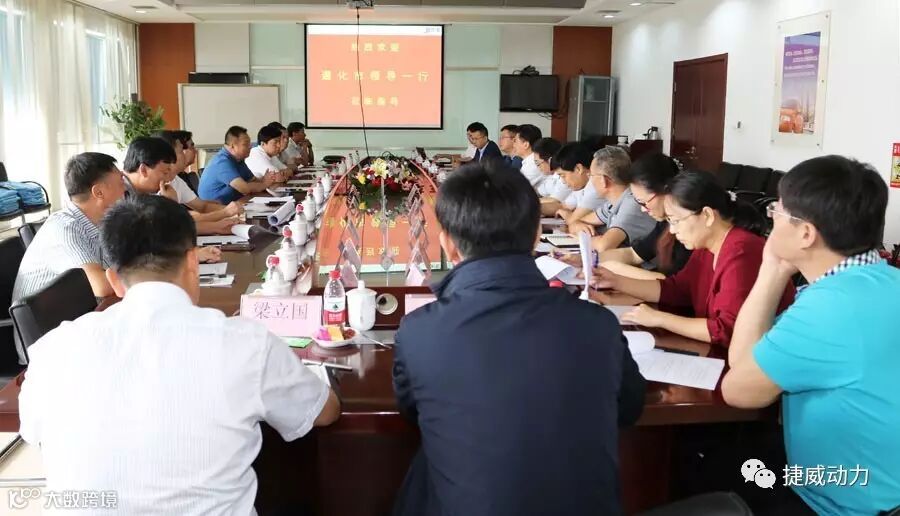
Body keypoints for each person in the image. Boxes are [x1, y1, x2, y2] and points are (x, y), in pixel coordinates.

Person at [18, 195, 341, 514]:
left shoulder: (52, 350)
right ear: (192, 263)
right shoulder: (246, 344)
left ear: (114, 279)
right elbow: (324, 412)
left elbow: (33, 434)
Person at [392, 160, 645, 516]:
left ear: (447, 244)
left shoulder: (419, 332)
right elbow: (630, 407)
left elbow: (411, 411)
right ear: (537, 233)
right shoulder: (598, 325)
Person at [722, 156, 900, 515]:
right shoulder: (885, 280)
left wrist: (771, 270)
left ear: (806, 234)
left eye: (777, 211)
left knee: (712, 468)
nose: (771, 218)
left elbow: (739, 388)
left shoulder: (832, 307)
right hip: (884, 486)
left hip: (843, 504)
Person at [591, 170, 795, 347]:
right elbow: (678, 290)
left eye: (676, 220)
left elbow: (726, 330)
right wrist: (616, 281)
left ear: (707, 215)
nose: (672, 230)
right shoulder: (707, 245)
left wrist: (660, 319)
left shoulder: (742, 252)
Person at [11, 153, 124, 362]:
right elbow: (102, 286)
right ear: (98, 192)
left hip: (82, 322)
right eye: (120, 182)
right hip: (47, 345)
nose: (125, 189)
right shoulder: (65, 227)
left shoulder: (98, 222)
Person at [598, 153, 691, 280]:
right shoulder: (665, 223)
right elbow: (633, 254)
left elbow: (674, 283)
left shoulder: (688, 228)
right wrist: (589, 260)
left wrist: (617, 269)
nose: (643, 209)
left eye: (644, 202)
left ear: (666, 191)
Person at [123, 136, 239, 237]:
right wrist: (168, 206)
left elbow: (172, 226)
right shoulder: (120, 193)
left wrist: (217, 227)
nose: (167, 179)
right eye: (164, 172)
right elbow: (156, 233)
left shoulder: (144, 190)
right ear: (143, 170)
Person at [569, 146, 656, 253]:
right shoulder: (612, 203)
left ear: (603, 180)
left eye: (591, 175)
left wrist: (583, 239)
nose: (590, 181)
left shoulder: (633, 202)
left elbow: (604, 246)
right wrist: (578, 226)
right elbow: (575, 223)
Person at [153, 131, 244, 232]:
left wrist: (234, 211)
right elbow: (178, 223)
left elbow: (202, 207)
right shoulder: (154, 187)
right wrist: (224, 214)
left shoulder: (176, 180)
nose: (185, 154)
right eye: (181, 151)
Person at [198, 126, 277, 205]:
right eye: (246, 144)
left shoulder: (239, 159)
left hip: (234, 204)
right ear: (233, 146)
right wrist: (264, 184)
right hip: (215, 209)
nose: (250, 147)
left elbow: (253, 180)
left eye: (249, 144)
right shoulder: (222, 162)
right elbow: (244, 189)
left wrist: (264, 179)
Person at [553, 142, 606, 223]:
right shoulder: (582, 185)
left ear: (578, 169)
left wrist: (566, 215)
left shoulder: (595, 185)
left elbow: (573, 220)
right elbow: (563, 206)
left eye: (563, 176)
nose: (563, 181)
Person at [532, 137, 570, 215]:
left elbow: (554, 200)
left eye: (538, 163)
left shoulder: (566, 176)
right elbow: (538, 191)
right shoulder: (551, 175)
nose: (538, 167)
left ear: (550, 160)